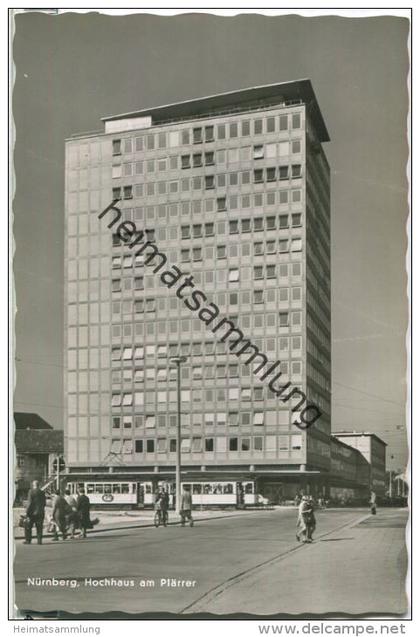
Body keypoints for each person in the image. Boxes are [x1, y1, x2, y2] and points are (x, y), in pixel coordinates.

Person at [24, 480, 46, 545]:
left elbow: (30, 503)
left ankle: (28, 540)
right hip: (40, 512)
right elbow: (44, 503)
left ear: (33, 485)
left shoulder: (31, 492)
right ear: (38, 485)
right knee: (39, 527)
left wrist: (27, 512)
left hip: (32, 513)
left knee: (28, 527)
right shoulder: (42, 492)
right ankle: (39, 541)